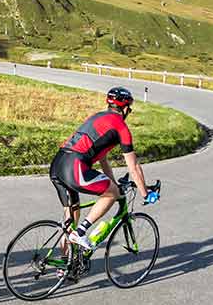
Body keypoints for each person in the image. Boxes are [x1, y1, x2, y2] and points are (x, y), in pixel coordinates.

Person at [49, 86, 158, 250]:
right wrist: (145, 193)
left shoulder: (98, 117)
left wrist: (112, 182)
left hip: (58, 164)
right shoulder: (120, 126)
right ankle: (81, 232)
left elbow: (102, 159)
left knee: (70, 220)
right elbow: (133, 166)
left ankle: (65, 269)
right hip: (75, 166)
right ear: (126, 108)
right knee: (112, 193)